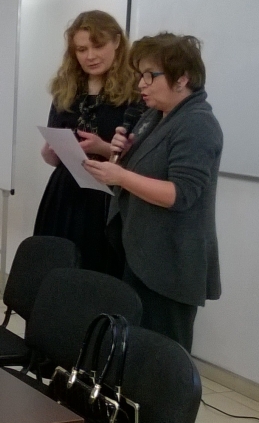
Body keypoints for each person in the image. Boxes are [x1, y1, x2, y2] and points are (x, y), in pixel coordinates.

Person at [84, 33, 222, 352]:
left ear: (182, 79)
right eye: (140, 75)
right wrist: (118, 154)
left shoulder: (197, 123)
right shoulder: (154, 116)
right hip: (141, 252)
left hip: (170, 262)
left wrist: (121, 175)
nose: (141, 85)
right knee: (134, 350)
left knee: (161, 355)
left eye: (150, 76)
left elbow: (179, 194)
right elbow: (138, 172)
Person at [33, 10, 142, 277]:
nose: (90, 56)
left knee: (94, 273)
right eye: (81, 50)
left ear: (117, 42)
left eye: (98, 46)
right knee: (56, 267)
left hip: (107, 197)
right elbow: (52, 158)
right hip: (65, 192)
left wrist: (102, 148)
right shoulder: (66, 88)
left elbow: (143, 158)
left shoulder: (137, 92)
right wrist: (50, 151)